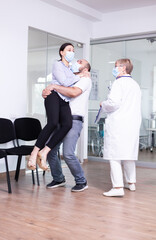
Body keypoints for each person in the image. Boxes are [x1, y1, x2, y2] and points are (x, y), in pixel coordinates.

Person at [28, 43, 84, 171]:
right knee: (52, 123)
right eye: (69, 50)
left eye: (73, 50)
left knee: (67, 125)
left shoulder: (71, 69)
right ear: (61, 52)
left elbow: (71, 85)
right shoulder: (57, 64)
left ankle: (44, 152)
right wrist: (78, 76)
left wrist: (79, 74)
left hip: (64, 99)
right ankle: (34, 153)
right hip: (53, 96)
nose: (72, 52)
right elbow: (65, 82)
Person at [42, 59, 92, 192]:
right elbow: (58, 94)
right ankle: (58, 178)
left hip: (74, 120)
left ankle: (81, 181)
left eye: (80, 61)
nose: (76, 61)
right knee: (51, 150)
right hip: (60, 120)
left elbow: (73, 92)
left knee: (68, 153)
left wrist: (53, 86)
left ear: (86, 70)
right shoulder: (71, 79)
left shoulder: (85, 80)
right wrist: (47, 91)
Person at [101, 58, 141, 197]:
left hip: (119, 124)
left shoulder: (119, 83)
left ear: (123, 68)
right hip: (132, 124)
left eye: (116, 66)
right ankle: (131, 183)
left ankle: (117, 187)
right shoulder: (135, 84)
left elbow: (113, 103)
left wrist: (103, 104)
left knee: (115, 155)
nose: (114, 68)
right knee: (128, 155)